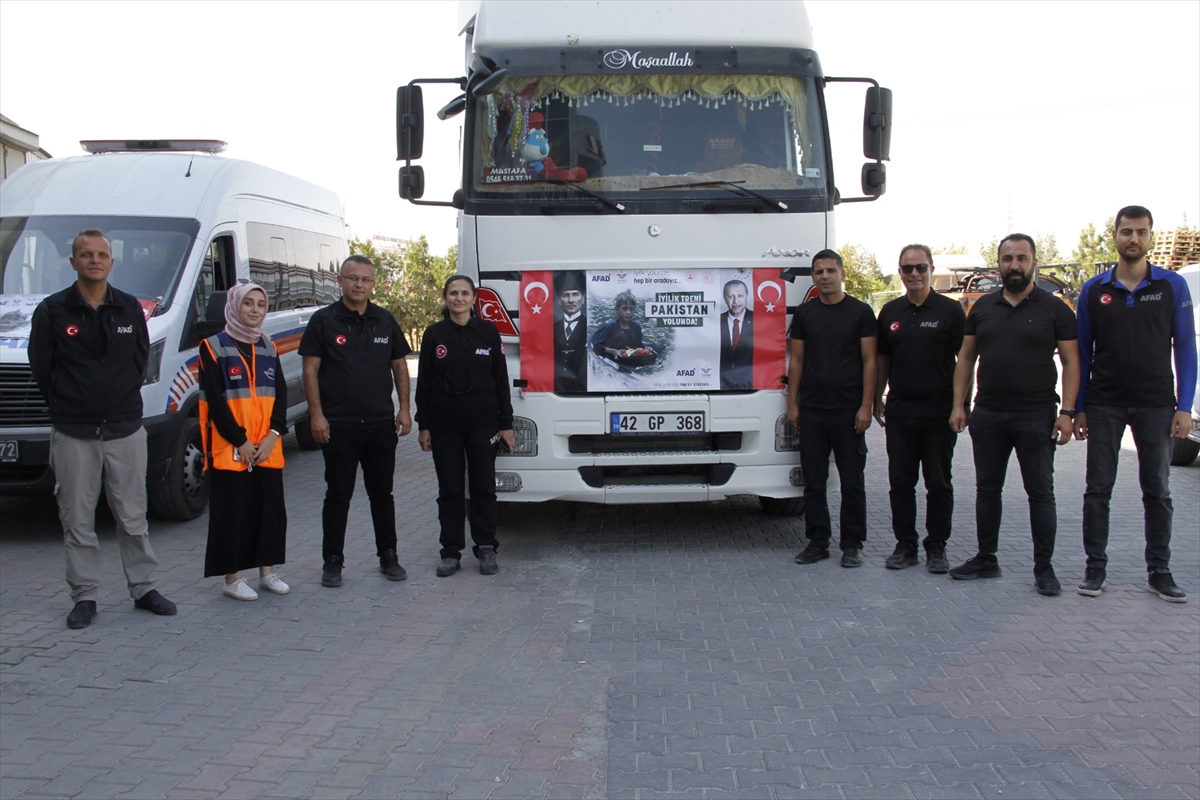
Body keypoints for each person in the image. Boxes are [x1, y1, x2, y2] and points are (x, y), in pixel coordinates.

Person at [28, 229, 176, 629]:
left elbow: (139, 362)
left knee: (132, 515)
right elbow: (42, 368)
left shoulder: (129, 309)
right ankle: (85, 596)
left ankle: (143, 587)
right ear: (73, 262)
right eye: (85, 254)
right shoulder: (53, 311)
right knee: (77, 519)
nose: (95, 260)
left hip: (125, 430)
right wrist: (70, 403)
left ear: (112, 261)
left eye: (102, 254)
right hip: (75, 433)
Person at [1074, 205, 1196, 602]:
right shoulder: (1094, 290)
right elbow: (1082, 354)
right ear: (1115, 236)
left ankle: (1159, 571)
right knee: (1097, 489)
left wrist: (1184, 405)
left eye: (1141, 232)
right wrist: (1079, 407)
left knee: (1157, 490)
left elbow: (1186, 350)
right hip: (1105, 402)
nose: (1134, 239)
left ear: (1151, 238)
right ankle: (1095, 569)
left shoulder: (1172, 286)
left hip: (1156, 404)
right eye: (1127, 231)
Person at [949, 234, 1079, 596]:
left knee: (1040, 493)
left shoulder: (1055, 309)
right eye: (1007, 259)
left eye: (1022, 258)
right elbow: (966, 358)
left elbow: (1071, 361)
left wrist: (1067, 411)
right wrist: (960, 404)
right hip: (989, 414)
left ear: (1034, 262)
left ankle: (1044, 568)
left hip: (1036, 415)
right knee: (987, 490)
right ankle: (986, 558)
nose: (1014, 265)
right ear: (999, 263)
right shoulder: (983, 307)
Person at [299, 255, 413, 588]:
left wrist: (404, 409)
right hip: (338, 426)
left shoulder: (384, 320)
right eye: (352, 278)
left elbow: (400, 367)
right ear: (340, 281)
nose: (359, 284)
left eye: (365, 279)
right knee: (338, 495)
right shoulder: (324, 321)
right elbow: (310, 370)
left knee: (383, 495)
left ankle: (389, 557)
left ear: (373, 284)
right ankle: (332, 561)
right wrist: (316, 416)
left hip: (380, 425)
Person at [873, 245, 966, 573]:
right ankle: (905, 545)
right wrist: (875, 397)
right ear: (899, 272)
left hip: (939, 412)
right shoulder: (890, 312)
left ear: (930, 270)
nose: (914, 274)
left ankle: (937, 547)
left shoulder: (950, 311)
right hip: (900, 412)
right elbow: (882, 360)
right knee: (900, 482)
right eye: (908, 268)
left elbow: (965, 362)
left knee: (939, 482)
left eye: (920, 268)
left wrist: (960, 405)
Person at [416, 275, 515, 577]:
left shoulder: (487, 332)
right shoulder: (434, 334)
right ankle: (450, 552)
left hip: (483, 425)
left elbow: (500, 381)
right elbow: (424, 383)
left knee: (484, 488)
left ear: (474, 299)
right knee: (450, 490)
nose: (458, 298)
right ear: (445, 298)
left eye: (464, 293)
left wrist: (506, 424)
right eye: (453, 293)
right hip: (445, 426)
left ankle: (486, 548)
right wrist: (424, 425)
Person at [198, 283, 289, 601]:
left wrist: (273, 435)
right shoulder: (212, 347)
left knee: (269, 510)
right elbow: (215, 399)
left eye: (261, 304)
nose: (254, 309)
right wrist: (240, 441)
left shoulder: (269, 346)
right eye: (248, 303)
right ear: (234, 306)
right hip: (231, 446)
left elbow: (280, 394)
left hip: (266, 446)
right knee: (232, 511)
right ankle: (232, 578)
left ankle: (268, 572)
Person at [787, 249, 877, 568]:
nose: (824, 276)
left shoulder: (861, 312)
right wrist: (793, 404)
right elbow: (796, 360)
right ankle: (818, 541)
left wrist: (866, 406)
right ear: (813, 277)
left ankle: (852, 544)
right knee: (814, 481)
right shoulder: (805, 314)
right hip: (811, 409)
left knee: (852, 481)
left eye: (830, 270)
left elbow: (870, 362)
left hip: (849, 411)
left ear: (842, 274)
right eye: (819, 272)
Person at [590, 289, 655, 360]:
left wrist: (645, 348)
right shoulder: (611, 327)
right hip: (614, 360)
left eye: (631, 309)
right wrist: (614, 351)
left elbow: (638, 344)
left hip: (631, 360)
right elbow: (598, 345)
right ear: (617, 309)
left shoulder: (636, 327)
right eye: (624, 308)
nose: (628, 312)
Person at [554, 271, 588, 392]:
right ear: (559, 301)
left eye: (575, 294)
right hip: (556, 389)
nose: (571, 300)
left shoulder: (591, 328)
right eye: (566, 295)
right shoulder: (551, 329)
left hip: (584, 390)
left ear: (583, 299)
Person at [720, 279, 754, 390]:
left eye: (740, 295)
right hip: (720, 385)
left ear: (747, 296)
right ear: (724, 298)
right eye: (731, 296)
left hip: (751, 385)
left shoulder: (759, 320)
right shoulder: (716, 321)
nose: (736, 301)